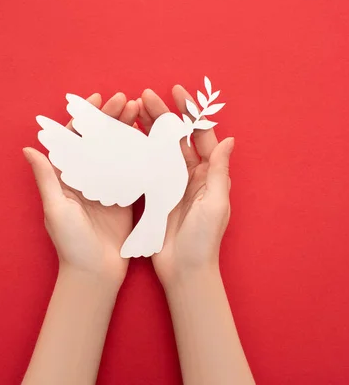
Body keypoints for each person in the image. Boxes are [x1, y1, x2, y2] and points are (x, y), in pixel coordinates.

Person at [21, 84, 255, 385]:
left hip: (160, 215)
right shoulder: (150, 153)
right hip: (153, 213)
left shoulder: (158, 156)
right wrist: (86, 273)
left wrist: (193, 270)